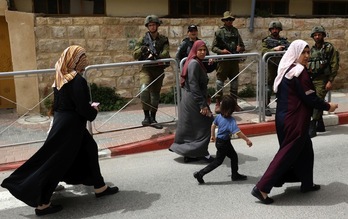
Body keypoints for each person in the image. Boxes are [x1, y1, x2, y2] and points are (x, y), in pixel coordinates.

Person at [1, 45, 119, 216]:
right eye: (82, 57)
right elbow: (83, 110)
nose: (85, 60)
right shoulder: (77, 80)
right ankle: (42, 203)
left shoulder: (60, 77)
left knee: (89, 148)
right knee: (56, 161)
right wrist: (93, 110)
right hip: (70, 126)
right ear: (74, 60)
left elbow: (59, 104)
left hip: (64, 122)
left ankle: (99, 187)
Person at [251, 40, 338, 204]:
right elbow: (310, 98)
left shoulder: (287, 70)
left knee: (306, 150)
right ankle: (262, 188)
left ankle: (306, 183)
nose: (307, 56)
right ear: (295, 53)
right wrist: (328, 106)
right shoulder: (299, 72)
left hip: (284, 119)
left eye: (308, 52)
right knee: (286, 154)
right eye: (303, 52)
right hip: (295, 121)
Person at [169, 40, 214, 163]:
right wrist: (202, 104)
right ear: (194, 51)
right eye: (200, 50)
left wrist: (207, 95)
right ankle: (202, 152)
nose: (202, 52)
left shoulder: (197, 62)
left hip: (192, 98)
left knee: (190, 126)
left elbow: (199, 83)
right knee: (206, 122)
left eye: (204, 50)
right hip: (194, 99)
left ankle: (189, 153)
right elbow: (194, 84)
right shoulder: (194, 63)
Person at [193, 95, 252, 184]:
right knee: (218, 161)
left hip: (221, 142)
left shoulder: (219, 117)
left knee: (233, 156)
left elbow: (213, 125)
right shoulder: (231, 120)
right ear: (231, 109)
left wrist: (212, 136)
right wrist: (247, 140)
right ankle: (200, 174)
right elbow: (238, 132)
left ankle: (235, 175)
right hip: (224, 144)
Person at [133, 14, 170, 129]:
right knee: (144, 90)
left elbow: (166, 52)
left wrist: (156, 56)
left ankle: (153, 118)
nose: (152, 27)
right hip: (146, 69)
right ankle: (146, 117)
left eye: (154, 24)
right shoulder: (142, 39)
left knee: (155, 95)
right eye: (150, 25)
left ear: (157, 25)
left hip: (158, 69)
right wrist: (142, 49)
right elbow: (135, 54)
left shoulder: (163, 39)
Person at [308, 25, 339, 138]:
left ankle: (312, 125)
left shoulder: (329, 48)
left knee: (318, 100)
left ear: (323, 36)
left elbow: (334, 64)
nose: (317, 37)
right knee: (313, 101)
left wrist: (330, 81)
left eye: (319, 35)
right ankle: (320, 124)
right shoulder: (311, 50)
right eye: (315, 35)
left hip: (323, 80)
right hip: (312, 80)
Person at [212, 11, 245, 114]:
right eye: (227, 20)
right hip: (223, 62)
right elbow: (213, 47)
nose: (229, 21)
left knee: (234, 83)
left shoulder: (236, 31)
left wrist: (240, 48)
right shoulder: (219, 32)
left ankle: (234, 103)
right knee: (219, 82)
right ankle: (218, 103)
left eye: (230, 20)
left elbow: (243, 46)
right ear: (224, 21)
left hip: (234, 61)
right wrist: (222, 51)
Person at [261, 21, 290, 116]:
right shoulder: (267, 41)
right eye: (273, 29)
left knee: (282, 86)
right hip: (270, 66)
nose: (274, 30)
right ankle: (266, 106)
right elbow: (263, 51)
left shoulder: (284, 41)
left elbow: (290, 49)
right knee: (268, 88)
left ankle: (281, 105)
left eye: (276, 29)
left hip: (281, 66)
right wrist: (274, 49)